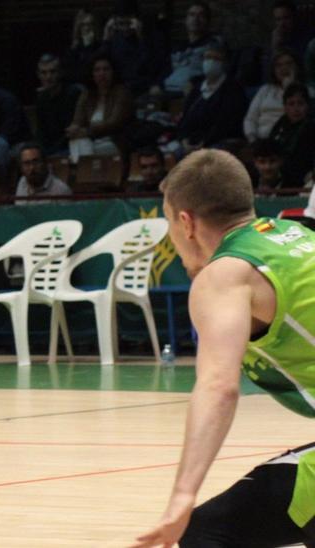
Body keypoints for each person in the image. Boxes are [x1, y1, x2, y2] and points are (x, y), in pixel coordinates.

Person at [132, 149, 315, 548]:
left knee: (207, 534)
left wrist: (182, 494)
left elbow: (218, 386)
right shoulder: (300, 234)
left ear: (185, 222)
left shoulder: (227, 276)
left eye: (168, 222)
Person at [174, 44, 247, 152]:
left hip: (219, 140)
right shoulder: (197, 89)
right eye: (207, 58)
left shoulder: (233, 89)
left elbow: (226, 123)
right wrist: (184, 139)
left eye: (216, 58)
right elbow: (185, 118)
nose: (211, 62)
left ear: (225, 63)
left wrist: (204, 142)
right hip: (193, 140)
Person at [67, 53, 134, 160]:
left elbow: (113, 123)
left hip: (113, 141)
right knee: (76, 141)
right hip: (90, 140)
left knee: (80, 147)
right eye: (97, 70)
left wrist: (87, 131)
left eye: (106, 69)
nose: (101, 73)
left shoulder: (121, 92)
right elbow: (77, 121)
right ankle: (88, 173)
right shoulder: (87, 94)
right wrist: (74, 128)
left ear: (113, 72)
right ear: (92, 74)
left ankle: (85, 173)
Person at [245, 48, 308, 143]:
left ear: (297, 66)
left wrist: (289, 87)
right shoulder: (265, 90)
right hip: (260, 141)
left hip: (288, 142)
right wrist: (252, 139)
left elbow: (295, 115)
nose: (284, 68)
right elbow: (251, 119)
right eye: (279, 65)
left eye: (289, 64)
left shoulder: (308, 91)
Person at [267, 83, 315, 188]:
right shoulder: (280, 124)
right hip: (278, 174)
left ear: (308, 105)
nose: (296, 109)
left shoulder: (311, 127)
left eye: (300, 103)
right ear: (285, 106)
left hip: (304, 177)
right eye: (291, 104)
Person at [34, 54, 83, 156]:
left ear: (60, 72)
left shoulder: (74, 93)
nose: (48, 77)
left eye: (52, 72)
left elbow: (71, 131)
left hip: (72, 145)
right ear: (38, 75)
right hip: (51, 148)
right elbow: (41, 132)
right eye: (44, 73)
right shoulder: (41, 99)